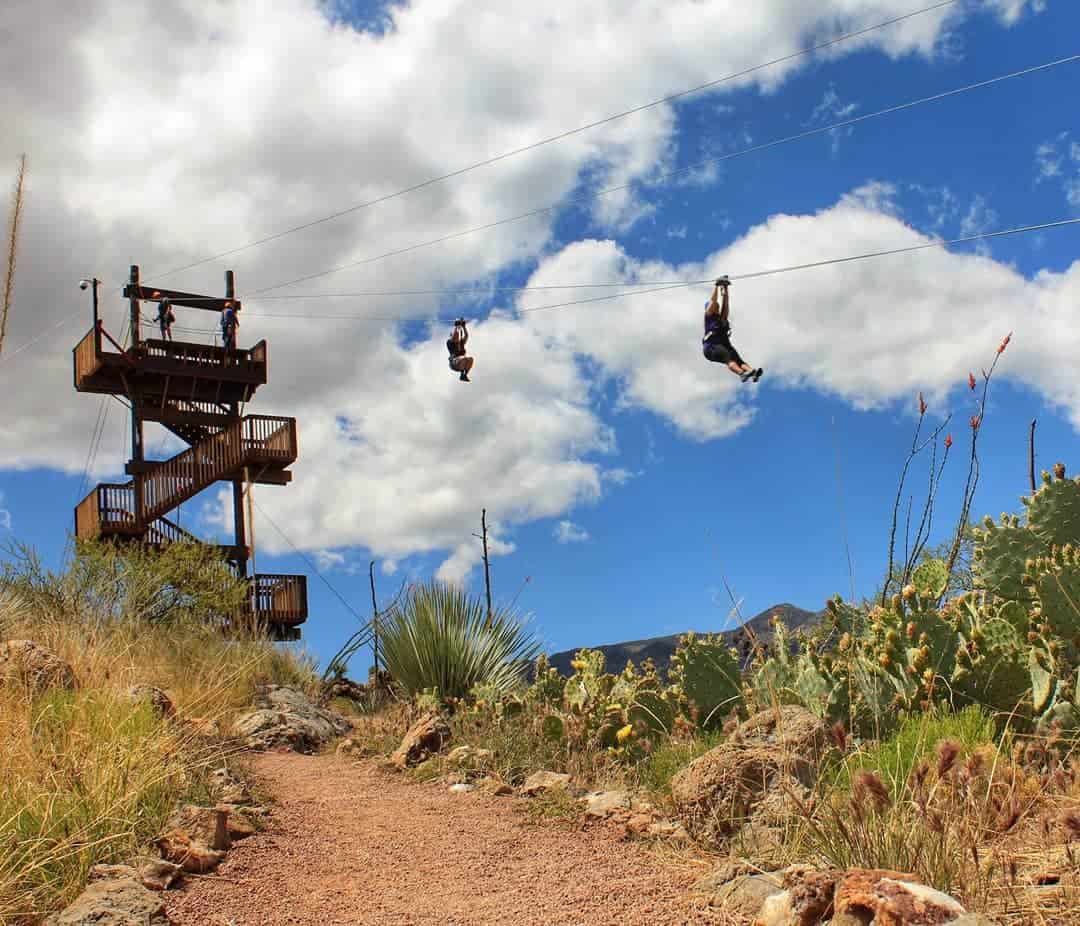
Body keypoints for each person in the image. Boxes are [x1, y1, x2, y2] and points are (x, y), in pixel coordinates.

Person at [703, 276, 761, 383]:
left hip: (723, 345)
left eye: (717, 307)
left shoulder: (722, 318)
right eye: (714, 307)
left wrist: (725, 288)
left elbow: (725, 303)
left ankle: (752, 372)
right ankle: (742, 374)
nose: (717, 307)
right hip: (711, 348)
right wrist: (716, 286)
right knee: (728, 357)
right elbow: (713, 301)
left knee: (738, 360)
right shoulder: (708, 317)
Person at [447, 318, 473, 382]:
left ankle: (464, 375)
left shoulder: (461, 343)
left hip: (461, 364)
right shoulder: (450, 343)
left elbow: (466, 336)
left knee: (470, 359)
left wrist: (464, 327)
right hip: (454, 364)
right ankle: (462, 374)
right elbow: (456, 335)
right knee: (463, 358)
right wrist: (457, 326)